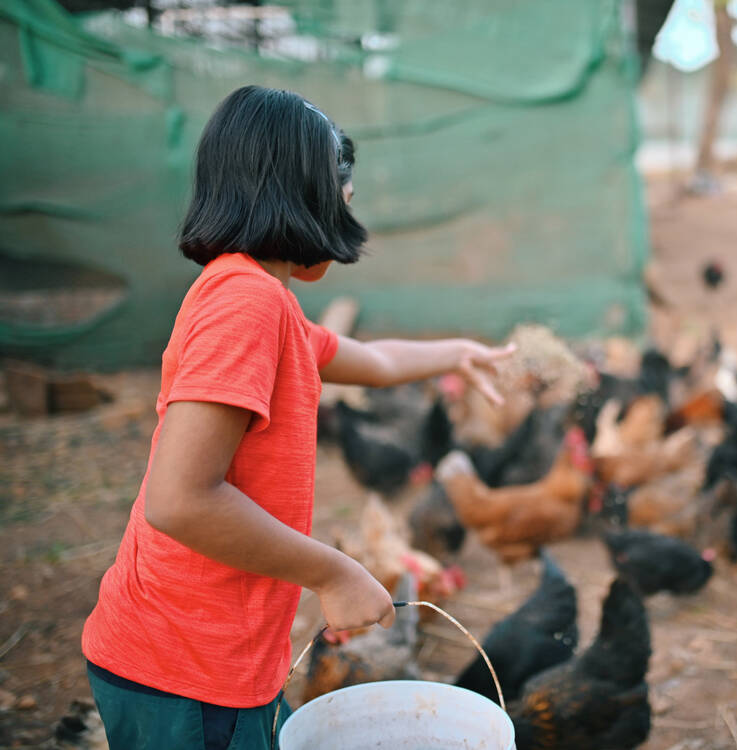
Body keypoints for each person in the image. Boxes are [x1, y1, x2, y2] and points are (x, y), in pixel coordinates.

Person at [80, 85, 513, 750]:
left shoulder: (264, 300)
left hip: (214, 658)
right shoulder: (246, 305)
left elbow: (371, 359)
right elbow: (179, 499)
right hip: (184, 670)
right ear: (299, 188)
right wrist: (334, 571)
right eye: (343, 182)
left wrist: (458, 352)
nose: (349, 200)